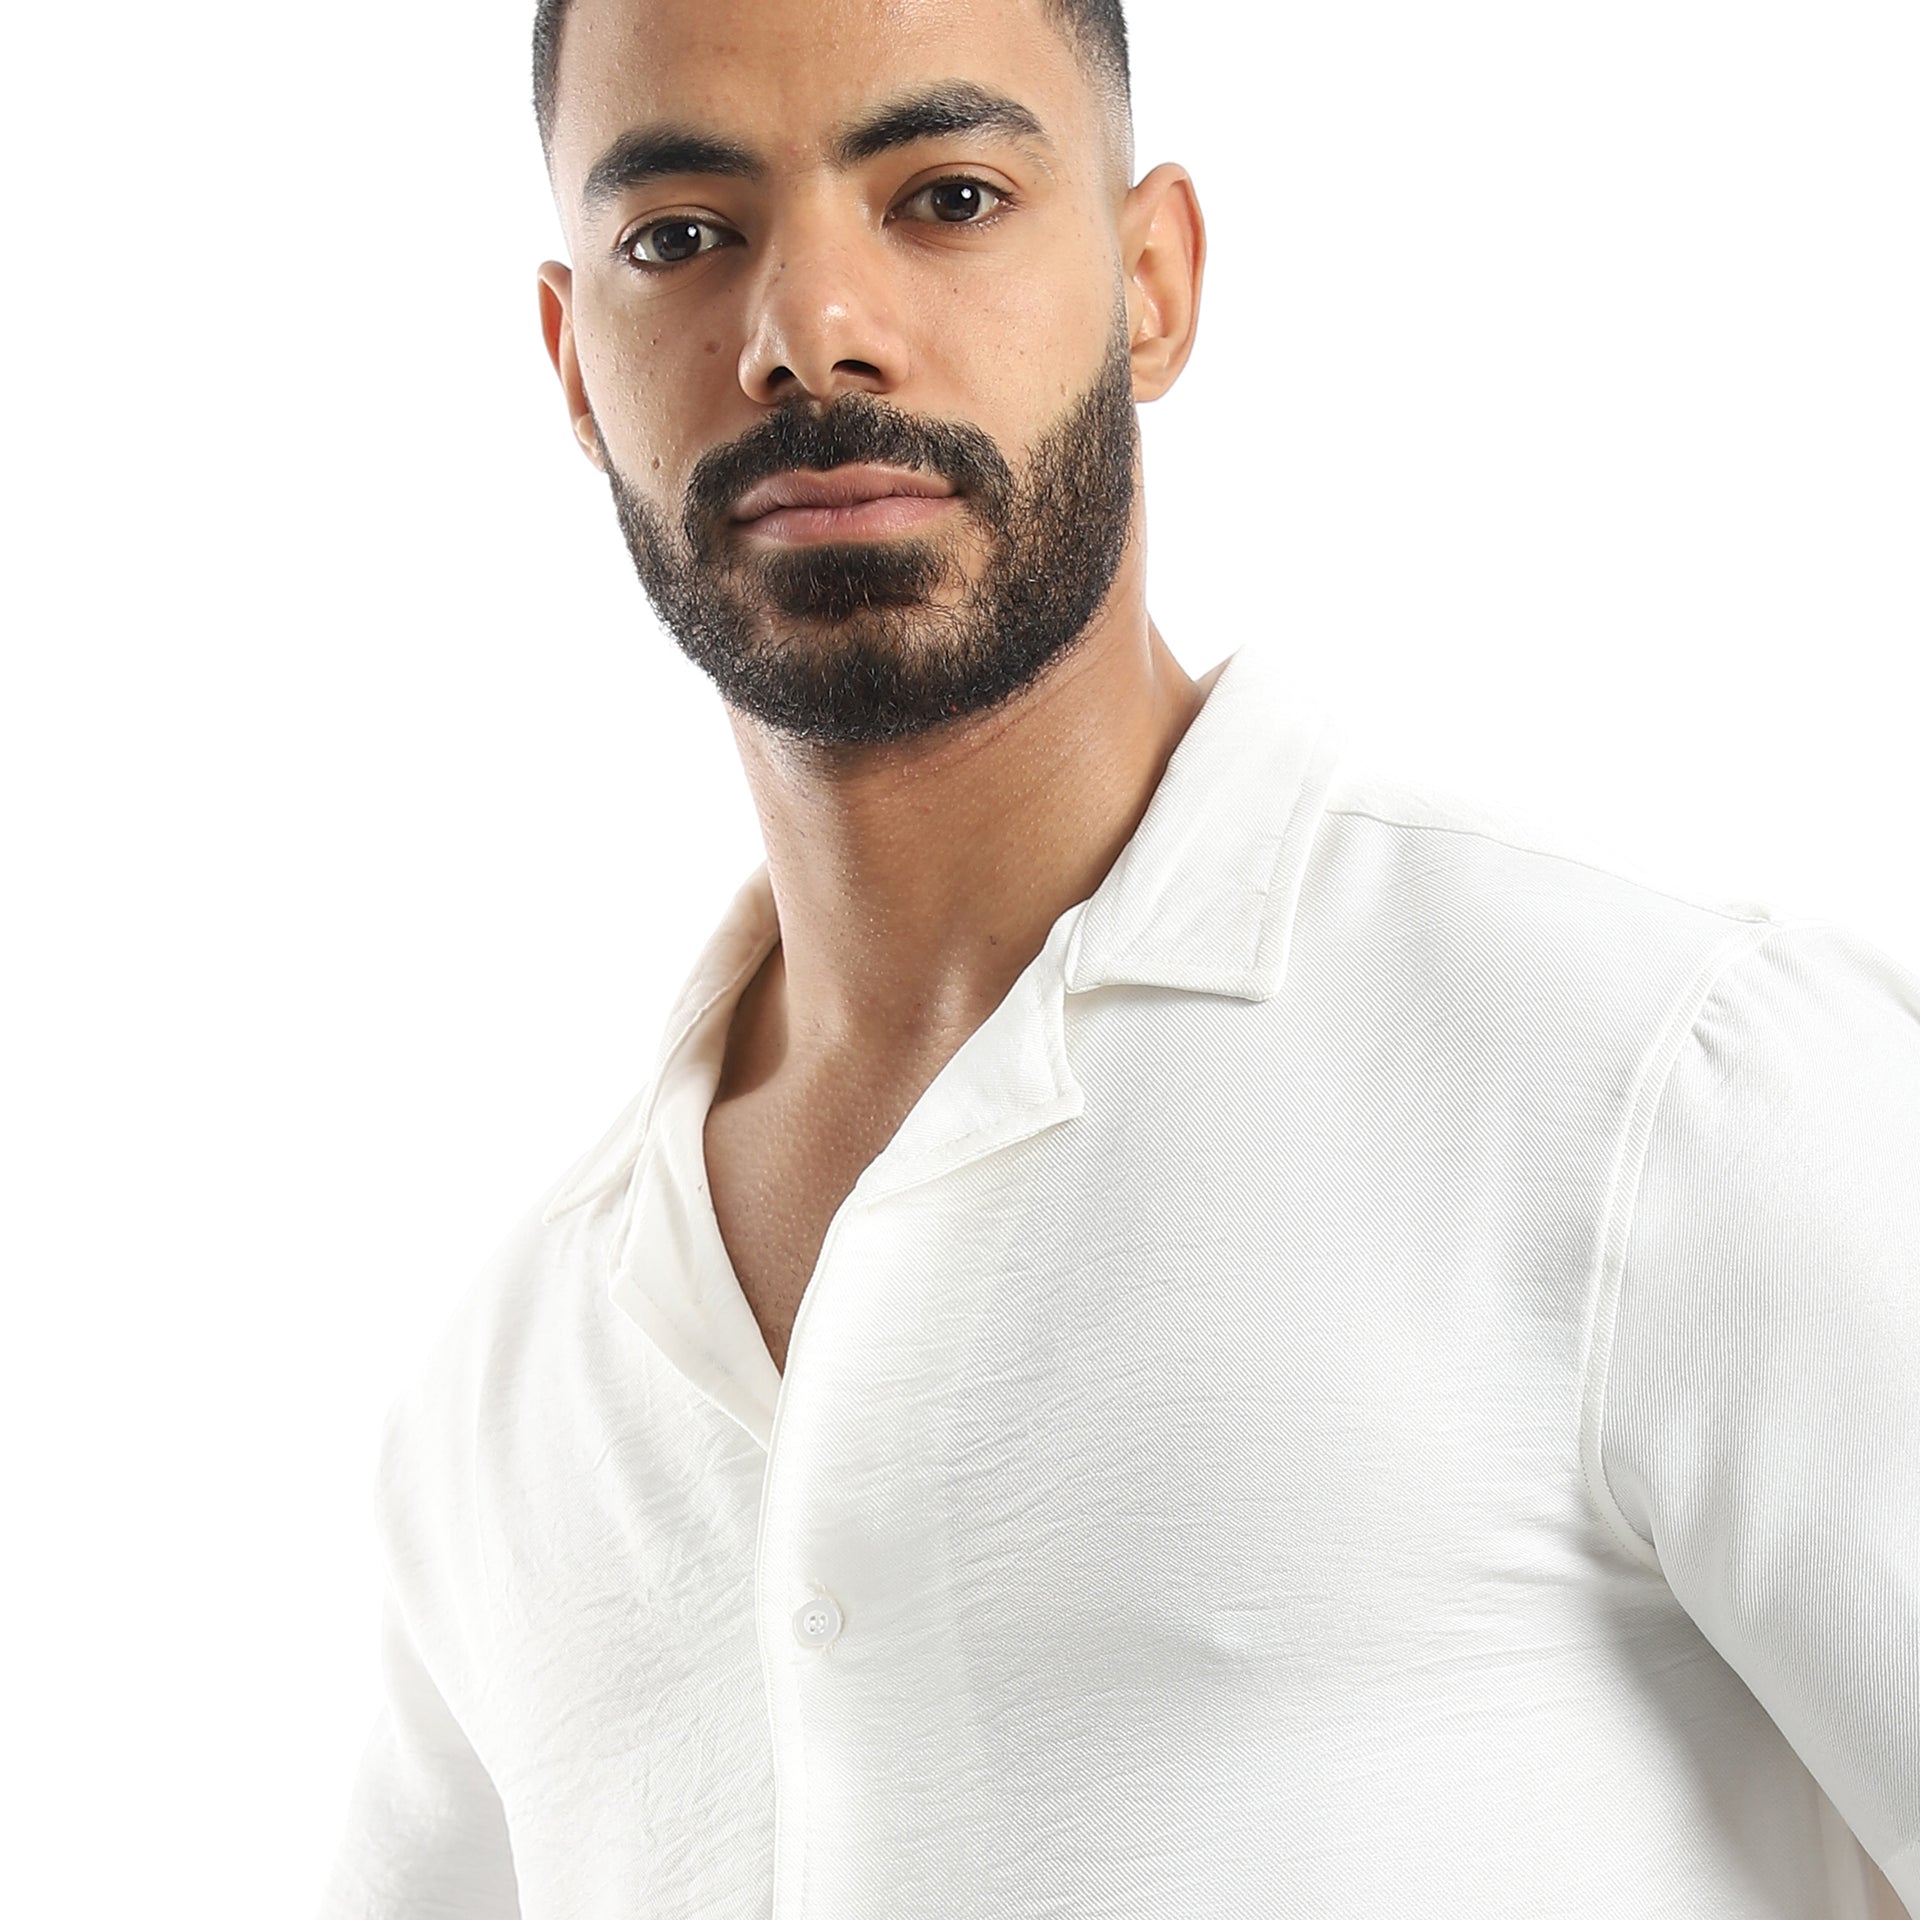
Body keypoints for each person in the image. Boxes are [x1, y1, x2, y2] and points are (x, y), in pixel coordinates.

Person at [316, 0, 1920, 1913]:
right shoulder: (510, 1399)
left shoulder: (1663, 1086)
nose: (808, 328)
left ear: (1151, 283)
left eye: (947, 197)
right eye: (680, 235)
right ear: (574, 360)